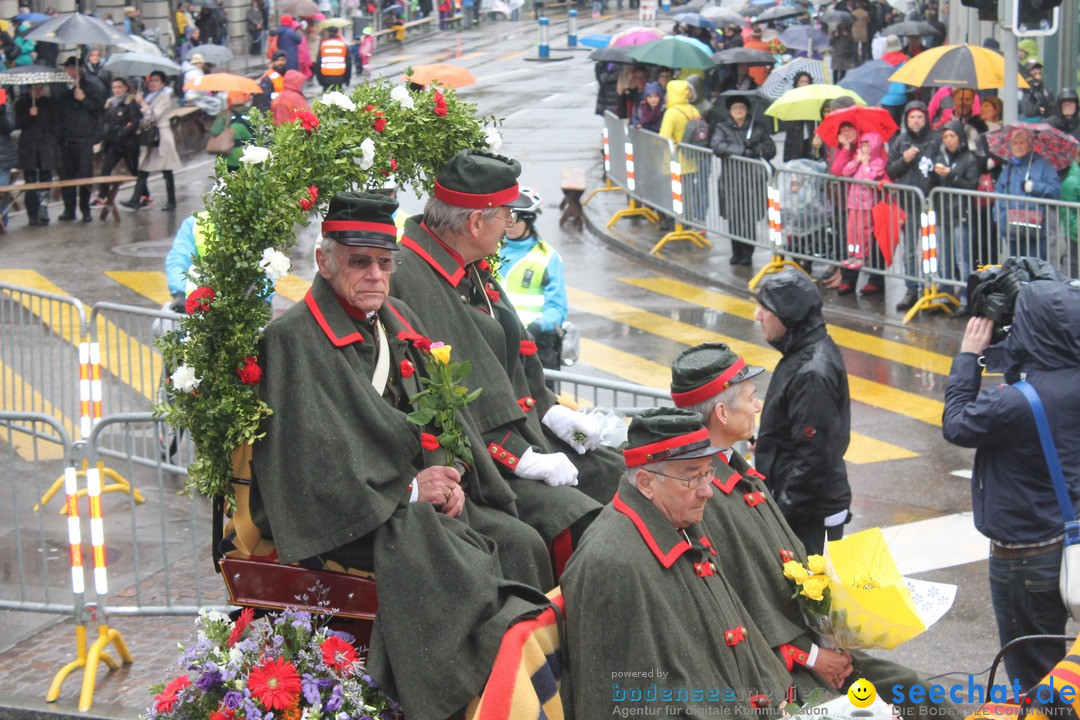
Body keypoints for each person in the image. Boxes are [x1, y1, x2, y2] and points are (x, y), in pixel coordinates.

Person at [250, 190, 552, 719]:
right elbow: (308, 462)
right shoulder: (290, 340)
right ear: (324, 261)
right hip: (350, 516)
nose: (374, 275)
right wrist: (411, 491)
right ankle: (452, 701)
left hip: (408, 498)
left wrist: (454, 475)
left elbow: (444, 418)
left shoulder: (396, 317)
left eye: (384, 263)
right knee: (464, 561)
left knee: (520, 538)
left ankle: (514, 697)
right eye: (358, 262)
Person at [669, 343, 962, 715]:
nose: (759, 405)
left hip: (810, 647)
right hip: (775, 671)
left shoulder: (736, 470)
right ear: (722, 412)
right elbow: (730, 607)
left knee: (911, 689)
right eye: (751, 396)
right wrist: (811, 657)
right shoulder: (701, 497)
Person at [389, 150, 627, 565]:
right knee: (571, 516)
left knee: (615, 470)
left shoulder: (466, 261)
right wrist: (520, 455)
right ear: (476, 222)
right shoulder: (411, 277)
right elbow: (449, 394)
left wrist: (551, 409)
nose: (511, 226)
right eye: (506, 216)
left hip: (519, 427)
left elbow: (509, 352)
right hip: (474, 457)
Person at [562, 407, 795, 717]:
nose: (707, 491)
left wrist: (778, 699)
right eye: (691, 477)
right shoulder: (611, 562)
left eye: (708, 472)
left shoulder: (676, 521)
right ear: (645, 483)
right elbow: (625, 701)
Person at [943, 283, 1080, 692]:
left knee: (1035, 678)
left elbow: (956, 423)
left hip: (1025, 556)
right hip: (1065, 538)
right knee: (1061, 666)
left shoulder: (1014, 403)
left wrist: (969, 356)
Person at [754, 270, 851, 555]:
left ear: (787, 315)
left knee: (811, 593)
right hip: (806, 507)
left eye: (766, 309)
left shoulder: (811, 372)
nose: (759, 316)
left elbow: (814, 459)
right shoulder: (803, 351)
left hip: (809, 515)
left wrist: (781, 513)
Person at [496, 186, 567, 374]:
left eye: (516, 219)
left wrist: (535, 328)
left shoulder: (547, 257)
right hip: (498, 341)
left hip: (535, 346)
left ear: (529, 220)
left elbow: (558, 309)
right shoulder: (492, 250)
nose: (509, 224)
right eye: (506, 218)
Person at [888, 101, 941, 312]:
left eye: (920, 117)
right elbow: (890, 170)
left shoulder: (935, 139)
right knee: (909, 250)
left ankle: (930, 287)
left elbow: (942, 165)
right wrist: (904, 160)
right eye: (912, 117)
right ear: (906, 120)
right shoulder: (901, 141)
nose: (916, 121)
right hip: (907, 203)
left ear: (926, 118)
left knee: (930, 250)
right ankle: (912, 288)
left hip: (930, 203)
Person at [711, 94, 776, 266]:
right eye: (735, 108)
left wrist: (755, 150)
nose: (738, 111)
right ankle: (736, 251)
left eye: (741, 108)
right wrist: (740, 150)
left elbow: (771, 149)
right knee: (734, 217)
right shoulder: (722, 127)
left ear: (747, 110)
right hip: (730, 180)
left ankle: (748, 253)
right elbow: (717, 146)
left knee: (749, 217)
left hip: (752, 182)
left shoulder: (758, 128)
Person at [932, 120, 980, 312]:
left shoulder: (969, 158)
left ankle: (967, 299)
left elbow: (971, 185)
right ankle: (946, 293)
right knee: (944, 257)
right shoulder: (940, 156)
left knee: (963, 258)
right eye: (945, 137)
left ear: (960, 138)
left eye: (952, 136)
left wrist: (950, 175)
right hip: (943, 212)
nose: (948, 140)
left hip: (962, 214)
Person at [995, 128, 1061, 261]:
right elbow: (999, 194)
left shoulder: (1043, 165)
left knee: (1035, 266)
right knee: (1016, 267)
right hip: (1012, 227)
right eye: (1015, 143)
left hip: (1035, 228)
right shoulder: (1008, 168)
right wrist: (999, 218)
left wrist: (1034, 187)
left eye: (1022, 143)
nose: (1018, 146)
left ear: (1030, 145)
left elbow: (1055, 191)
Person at [55, 56, 105, 223]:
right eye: (68, 68)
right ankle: (69, 209)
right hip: (65, 140)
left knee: (85, 176)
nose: (71, 72)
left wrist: (83, 98)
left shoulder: (90, 87)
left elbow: (97, 110)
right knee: (66, 177)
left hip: (83, 139)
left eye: (74, 69)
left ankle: (85, 209)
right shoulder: (59, 88)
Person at [122, 71, 181, 212]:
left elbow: (153, 116)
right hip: (150, 137)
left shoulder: (164, 97)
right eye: (151, 80)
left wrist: (142, 103)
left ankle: (171, 201)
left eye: (156, 80)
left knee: (166, 171)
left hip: (161, 137)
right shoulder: (149, 96)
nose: (152, 83)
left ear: (162, 83)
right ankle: (135, 199)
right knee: (143, 169)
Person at [836, 131, 886, 295]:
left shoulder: (877, 162)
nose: (865, 149)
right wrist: (856, 162)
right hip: (854, 202)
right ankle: (852, 253)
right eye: (863, 146)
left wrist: (864, 164)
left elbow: (869, 178)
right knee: (851, 230)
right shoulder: (857, 159)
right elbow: (845, 172)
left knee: (863, 232)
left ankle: (860, 256)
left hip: (867, 204)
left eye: (868, 146)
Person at [14, 84, 60, 226]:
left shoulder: (49, 103)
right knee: (31, 180)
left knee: (46, 177)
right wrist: (29, 115)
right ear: (29, 90)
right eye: (35, 89)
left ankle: (43, 208)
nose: (39, 92)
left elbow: (54, 123)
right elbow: (17, 124)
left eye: (41, 89)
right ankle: (32, 212)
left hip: (46, 144)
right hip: (28, 146)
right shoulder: (21, 103)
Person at [94, 77, 142, 207]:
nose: (117, 90)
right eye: (115, 87)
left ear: (125, 87)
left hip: (128, 144)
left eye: (120, 87)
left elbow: (134, 122)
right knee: (105, 170)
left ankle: (143, 195)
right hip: (112, 144)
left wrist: (122, 132)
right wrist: (106, 133)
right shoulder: (110, 103)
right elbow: (104, 122)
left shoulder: (130, 102)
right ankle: (102, 196)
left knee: (134, 170)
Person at [782, 72, 826, 162]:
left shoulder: (815, 98)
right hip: (795, 138)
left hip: (811, 137)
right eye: (801, 82)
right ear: (797, 83)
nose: (804, 84)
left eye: (807, 82)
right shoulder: (791, 98)